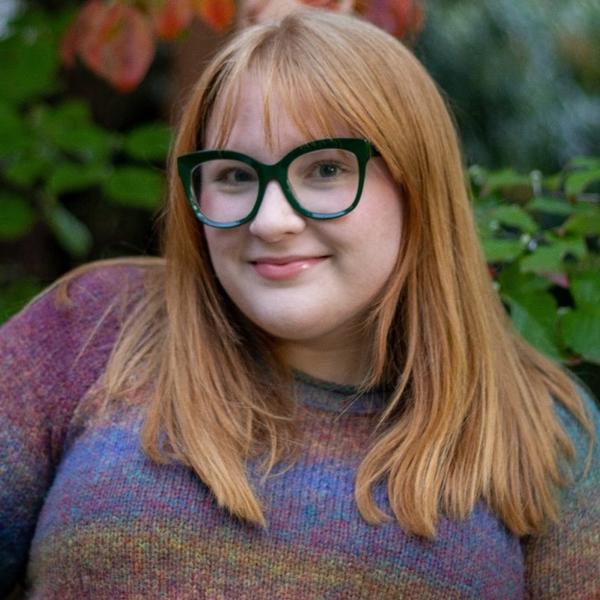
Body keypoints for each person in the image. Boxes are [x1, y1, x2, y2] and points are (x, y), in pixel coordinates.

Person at [1, 8, 598, 599]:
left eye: (326, 169)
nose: (271, 220)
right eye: (235, 175)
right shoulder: (92, 328)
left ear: (418, 184)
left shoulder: (545, 430)